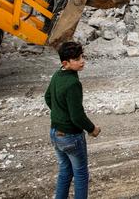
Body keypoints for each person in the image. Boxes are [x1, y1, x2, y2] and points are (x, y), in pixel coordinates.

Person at [45, 42, 100, 199]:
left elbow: (48, 97)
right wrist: (92, 129)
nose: (82, 61)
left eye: (82, 57)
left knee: (65, 170)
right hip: (71, 137)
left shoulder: (57, 75)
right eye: (77, 59)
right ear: (65, 63)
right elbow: (77, 116)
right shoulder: (73, 83)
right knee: (81, 173)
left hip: (55, 133)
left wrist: (60, 114)